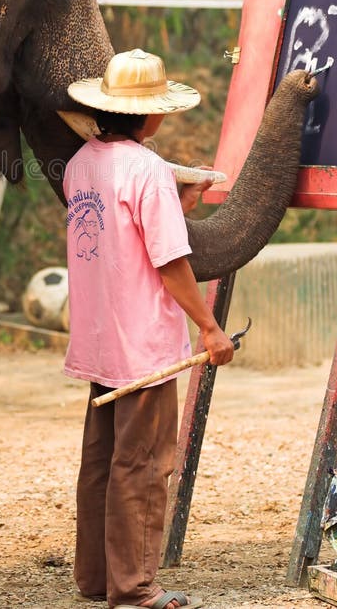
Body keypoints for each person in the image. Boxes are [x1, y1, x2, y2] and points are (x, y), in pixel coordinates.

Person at [63, 49, 234, 609]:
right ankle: (135, 589)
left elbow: (118, 234)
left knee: (102, 462)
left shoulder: (79, 165)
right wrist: (209, 327)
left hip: (100, 341)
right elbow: (167, 261)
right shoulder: (149, 171)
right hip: (145, 350)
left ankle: (96, 578)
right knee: (142, 465)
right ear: (153, 115)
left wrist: (173, 200)